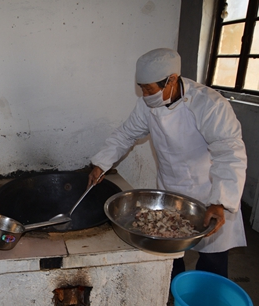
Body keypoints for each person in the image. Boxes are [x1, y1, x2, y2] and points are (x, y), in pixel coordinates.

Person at [88, 48, 247, 278]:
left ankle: (205, 305)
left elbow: (230, 153)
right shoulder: (147, 105)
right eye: (141, 88)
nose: (144, 95)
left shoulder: (209, 105)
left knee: (212, 258)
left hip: (208, 192)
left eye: (149, 89)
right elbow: (126, 134)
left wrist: (220, 201)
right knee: (170, 254)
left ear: (171, 80)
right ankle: (172, 292)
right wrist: (101, 163)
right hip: (171, 190)